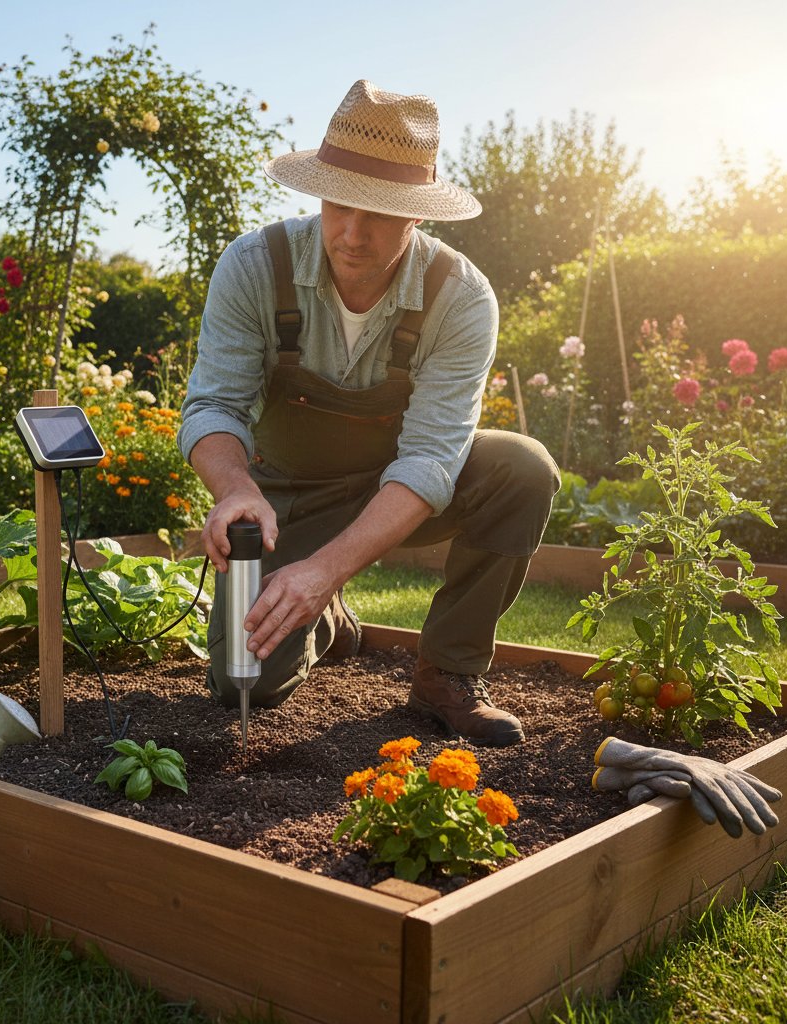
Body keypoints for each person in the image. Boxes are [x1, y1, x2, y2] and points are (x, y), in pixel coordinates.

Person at [177, 79, 559, 746]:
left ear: (418, 215)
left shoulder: (460, 298)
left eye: (378, 214)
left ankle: (448, 671)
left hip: (402, 492)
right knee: (243, 685)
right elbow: (214, 404)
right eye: (338, 205)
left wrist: (324, 572)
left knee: (522, 469)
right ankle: (330, 621)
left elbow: (432, 458)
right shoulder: (253, 265)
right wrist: (237, 491)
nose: (351, 234)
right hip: (288, 498)